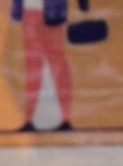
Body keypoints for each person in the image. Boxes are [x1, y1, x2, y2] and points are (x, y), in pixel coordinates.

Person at [10, 0, 86, 131]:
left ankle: (63, 119)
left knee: (53, 66)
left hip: (50, 14)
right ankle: (32, 119)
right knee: (37, 67)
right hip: (35, 13)